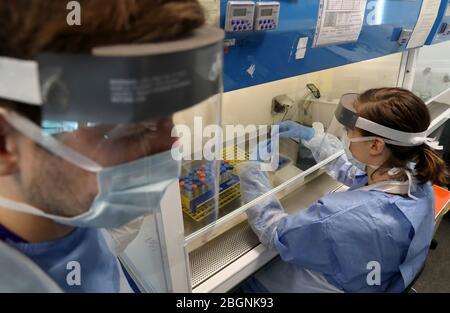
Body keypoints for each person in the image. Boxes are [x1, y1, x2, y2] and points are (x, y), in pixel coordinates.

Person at [0, 0, 224, 292]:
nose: (172, 145)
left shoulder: (72, 215)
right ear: (5, 144)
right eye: (136, 129)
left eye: (170, 116)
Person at [237, 88, 449, 293]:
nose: (347, 134)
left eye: (350, 130)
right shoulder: (416, 177)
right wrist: (313, 138)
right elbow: (359, 175)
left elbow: (276, 232)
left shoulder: (341, 215)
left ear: (376, 145)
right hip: (374, 278)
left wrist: (252, 172)